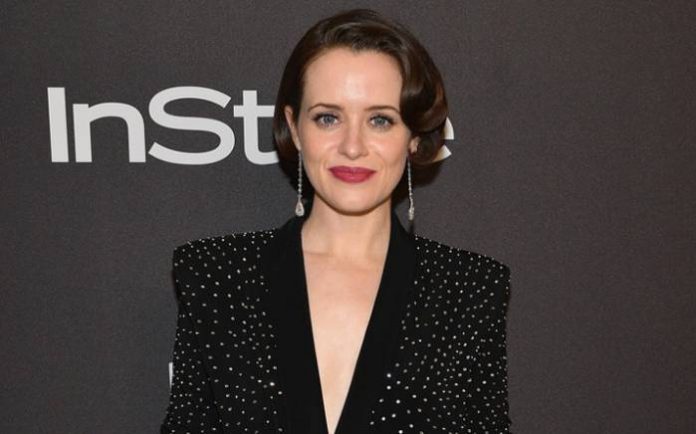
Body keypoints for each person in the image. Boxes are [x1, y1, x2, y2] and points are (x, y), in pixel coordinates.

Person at [160, 8, 512, 434]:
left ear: (413, 137)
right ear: (294, 127)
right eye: (328, 117)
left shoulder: (469, 290)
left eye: (380, 120)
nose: (352, 146)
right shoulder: (216, 276)